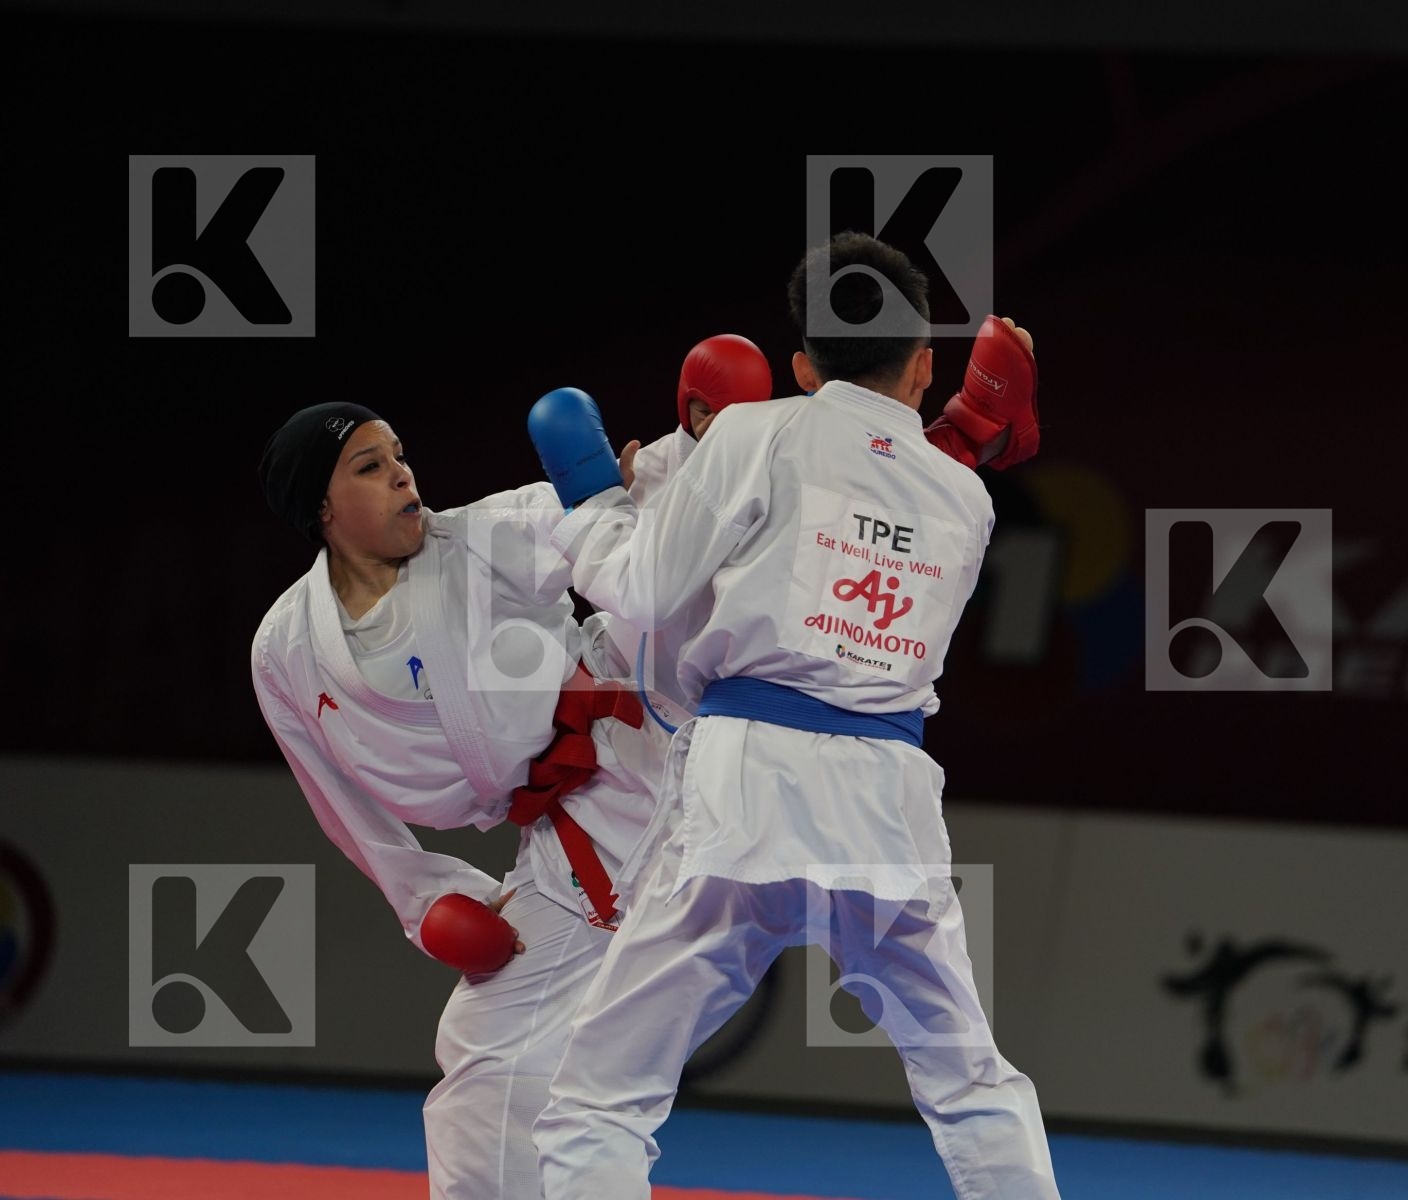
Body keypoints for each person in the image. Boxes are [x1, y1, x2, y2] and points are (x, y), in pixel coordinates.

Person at [529, 231, 1058, 1199]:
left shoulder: (754, 432)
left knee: (602, 1097)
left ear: (804, 364)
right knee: (972, 1083)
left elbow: (644, 592)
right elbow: (878, 488)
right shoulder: (965, 496)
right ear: (925, 361)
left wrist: (595, 502)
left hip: (749, 789)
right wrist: (974, 425)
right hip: (887, 804)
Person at [247, 336, 773, 1199]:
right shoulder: (286, 649)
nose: (404, 476)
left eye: (401, 458)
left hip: (656, 732)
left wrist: (636, 474)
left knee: (667, 579)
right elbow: (333, 796)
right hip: (572, 838)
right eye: (371, 468)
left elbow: (600, 516)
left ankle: (841, 438)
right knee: (487, 1068)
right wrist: (423, 897)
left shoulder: (478, 538)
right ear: (323, 507)